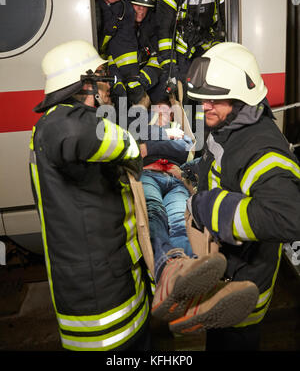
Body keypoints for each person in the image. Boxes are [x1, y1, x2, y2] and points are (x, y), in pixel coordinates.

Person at [173, 42, 300, 350]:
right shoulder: (232, 126)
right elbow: (224, 165)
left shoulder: (261, 148)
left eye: (215, 101)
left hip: (242, 292)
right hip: (225, 280)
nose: (205, 107)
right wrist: (193, 171)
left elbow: (289, 216)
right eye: (204, 100)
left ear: (243, 99)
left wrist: (210, 206)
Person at [29, 40, 151, 351]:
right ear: (84, 84)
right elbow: (80, 133)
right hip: (100, 312)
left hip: (118, 279)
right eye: (100, 75)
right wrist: (131, 147)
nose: (107, 82)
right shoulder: (58, 123)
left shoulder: (74, 120)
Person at [138, 99, 259, 326]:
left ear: (173, 115)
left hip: (176, 179)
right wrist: (158, 143)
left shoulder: (179, 133)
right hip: (148, 175)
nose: (162, 113)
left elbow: (185, 151)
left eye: (166, 110)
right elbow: (137, 150)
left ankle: (190, 274)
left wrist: (153, 146)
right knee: (154, 214)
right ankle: (169, 266)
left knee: (179, 220)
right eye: (157, 111)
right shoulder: (142, 129)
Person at [94, 0, 145, 105]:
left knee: (120, 93)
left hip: (105, 59)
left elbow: (125, 46)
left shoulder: (124, 9)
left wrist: (132, 80)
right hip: (82, 62)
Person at [128, 0, 161, 94]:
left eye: (145, 6)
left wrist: (143, 79)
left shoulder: (153, 26)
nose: (141, 9)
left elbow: (157, 56)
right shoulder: (120, 25)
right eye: (137, 4)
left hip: (145, 79)